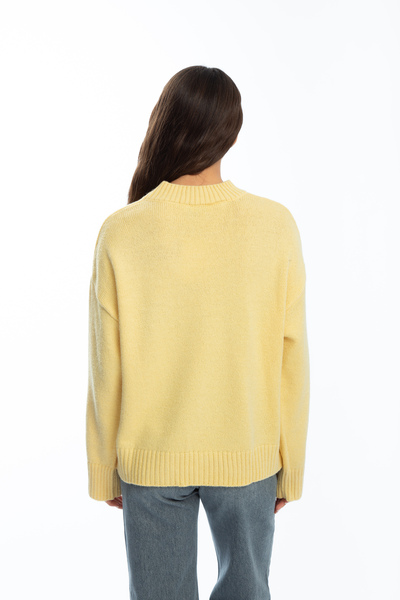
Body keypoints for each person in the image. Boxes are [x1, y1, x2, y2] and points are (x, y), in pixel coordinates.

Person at [86, 65, 310, 600]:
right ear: (231, 132)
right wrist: (291, 464)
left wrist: (104, 469)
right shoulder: (275, 225)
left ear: (164, 123)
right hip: (248, 452)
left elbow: (105, 367)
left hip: (151, 459)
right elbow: (292, 358)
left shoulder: (122, 230)